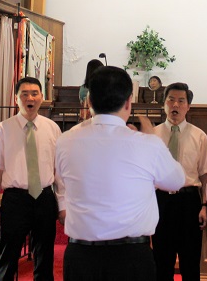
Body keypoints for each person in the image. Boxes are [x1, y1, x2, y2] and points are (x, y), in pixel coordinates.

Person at [55, 66, 185, 281]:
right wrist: (153, 138)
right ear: (128, 102)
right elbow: (176, 181)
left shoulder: (65, 141)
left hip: (81, 257)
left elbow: (64, 177)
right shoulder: (147, 144)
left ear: (89, 101)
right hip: (131, 258)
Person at [0, 77, 64, 281]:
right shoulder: (2, 129)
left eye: (34, 93)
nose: (30, 98)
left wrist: (62, 203)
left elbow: (58, 171)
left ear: (41, 97)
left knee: (44, 255)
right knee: (8, 255)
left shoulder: (52, 128)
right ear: (16, 98)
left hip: (44, 197)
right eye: (24, 94)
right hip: (15, 199)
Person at [152, 82, 207, 281]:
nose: (175, 105)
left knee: (190, 260)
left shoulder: (199, 136)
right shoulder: (152, 135)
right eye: (171, 100)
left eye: (181, 101)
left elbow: (205, 174)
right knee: (161, 260)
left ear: (188, 106)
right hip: (160, 202)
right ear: (164, 104)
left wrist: (204, 205)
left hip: (189, 202)